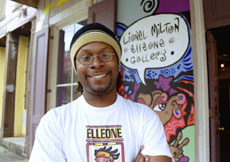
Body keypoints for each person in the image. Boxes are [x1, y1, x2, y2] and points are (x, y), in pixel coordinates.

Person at [29, 23, 173, 162]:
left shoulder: (144, 117)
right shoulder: (55, 122)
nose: (96, 63)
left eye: (105, 55)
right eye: (85, 58)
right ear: (76, 68)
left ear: (118, 63)